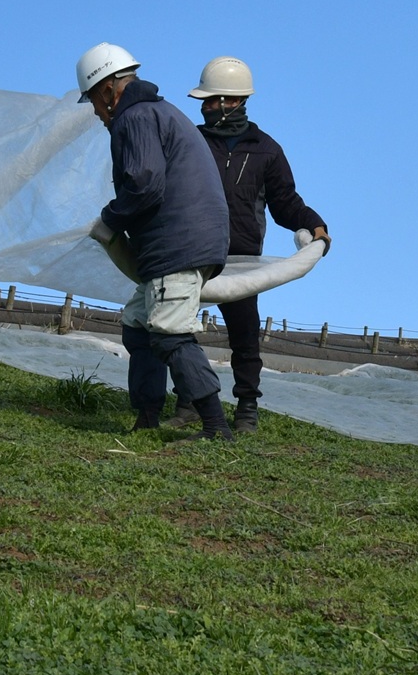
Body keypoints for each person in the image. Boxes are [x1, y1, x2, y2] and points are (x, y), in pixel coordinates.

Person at [76, 42, 236, 441]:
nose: (96, 113)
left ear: (110, 89)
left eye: (94, 101)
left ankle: (216, 427)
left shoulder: (137, 117)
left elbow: (145, 184)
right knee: (137, 323)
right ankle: (147, 415)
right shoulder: (159, 112)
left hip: (178, 245)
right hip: (187, 239)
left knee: (168, 331)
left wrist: (110, 219)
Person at [190, 56, 331, 434]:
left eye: (209, 100)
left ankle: (247, 407)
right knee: (178, 329)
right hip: (193, 251)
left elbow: (286, 203)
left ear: (231, 102)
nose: (203, 107)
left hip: (241, 260)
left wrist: (314, 225)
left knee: (245, 335)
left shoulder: (267, 150)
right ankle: (190, 401)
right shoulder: (192, 142)